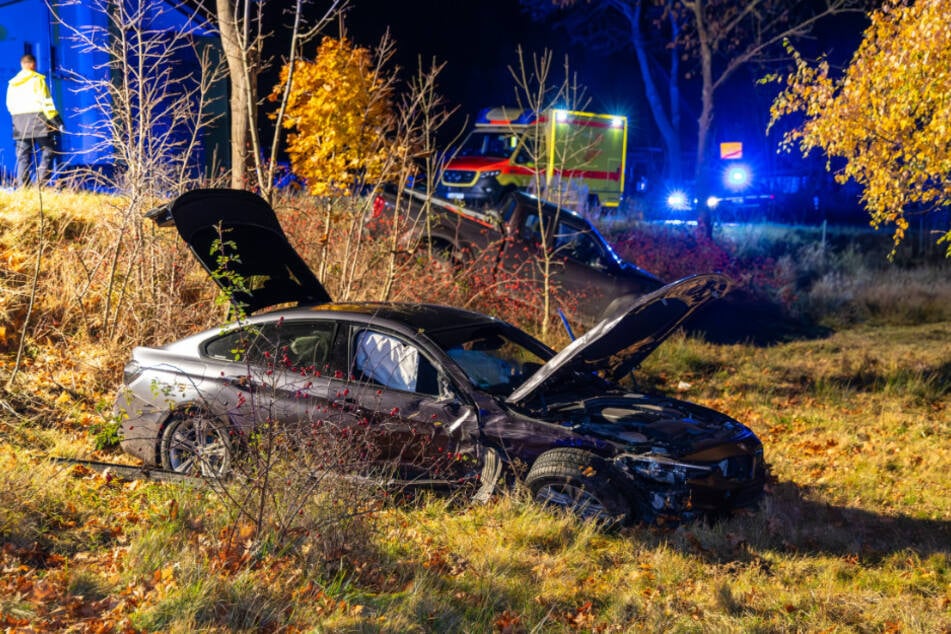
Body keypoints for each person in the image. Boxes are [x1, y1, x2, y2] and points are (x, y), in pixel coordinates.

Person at [6, 53, 62, 187]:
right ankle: (41, 184)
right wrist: (57, 121)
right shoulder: (38, 80)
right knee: (49, 150)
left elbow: (9, 105)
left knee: (23, 156)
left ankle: (23, 187)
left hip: (19, 122)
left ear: (21, 65)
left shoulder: (12, 84)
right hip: (38, 121)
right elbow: (47, 103)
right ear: (33, 65)